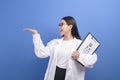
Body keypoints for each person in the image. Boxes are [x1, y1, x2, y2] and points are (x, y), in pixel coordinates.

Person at [24, 16, 97, 80]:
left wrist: (79, 56)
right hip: (55, 75)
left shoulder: (80, 44)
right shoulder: (55, 43)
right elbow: (41, 53)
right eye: (59, 25)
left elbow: (92, 60)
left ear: (70, 27)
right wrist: (36, 35)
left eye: (62, 24)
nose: (59, 27)